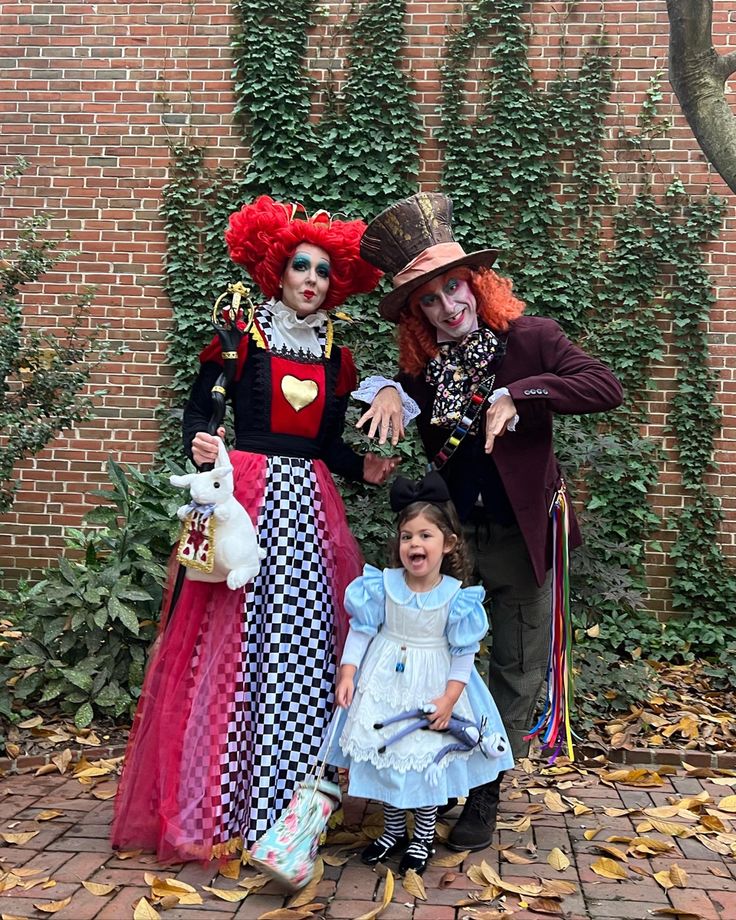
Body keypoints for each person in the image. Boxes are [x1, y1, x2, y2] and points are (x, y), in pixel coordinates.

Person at [111, 195, 398, 863]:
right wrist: (201, 446)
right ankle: (214, 808)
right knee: (230, 649)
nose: (311, 279)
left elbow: (327, 446)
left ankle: (282, 810)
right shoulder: (242, 339)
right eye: (301, 265)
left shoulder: (336, 356)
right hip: (246, 503)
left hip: (308, 514)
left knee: (299, 654)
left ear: (336, 284)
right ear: (279, 269)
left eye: (324, 271)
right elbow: (196, 416)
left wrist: (368, 469)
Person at [354, 192, 624, 852]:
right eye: (431, 299)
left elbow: (604, 387)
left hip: (527, 539)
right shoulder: (423, 375)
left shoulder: (531, 340)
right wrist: (382, 386)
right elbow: (375, 394)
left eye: (455, 287)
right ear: (416, 313)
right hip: (460, 551)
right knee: (450, 668)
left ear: (475, 283)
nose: (450, 306)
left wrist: (516, 393)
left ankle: (484, 794)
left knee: (514, 668)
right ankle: (447, 773)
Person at [323, 472, 514, 876]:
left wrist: (447, 699)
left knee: (423, 762)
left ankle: (423, 836)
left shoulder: (456, 597)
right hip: (383, 684)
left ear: (448, 544)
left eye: (426, 535)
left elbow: (463, 655)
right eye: (407, 535)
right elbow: (361, 631)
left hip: (432, 687)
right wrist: (348, 672)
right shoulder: (382, 586)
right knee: (389, 759)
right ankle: (393, 831)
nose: (415, 544)